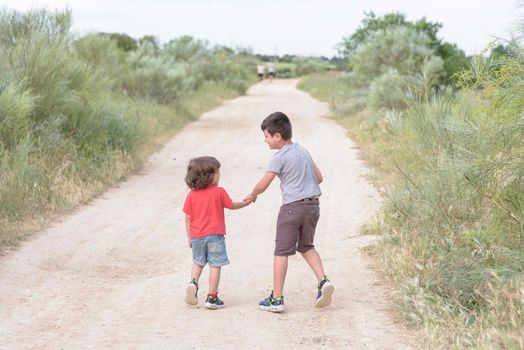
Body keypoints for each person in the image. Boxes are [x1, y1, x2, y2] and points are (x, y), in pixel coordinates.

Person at [245, 111, 334, 313]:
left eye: (266, 136)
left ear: (277, 136)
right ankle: (323, 281)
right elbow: (319, 177)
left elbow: (263, 184)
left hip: (292, 208)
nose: (265, 141)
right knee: (307, 246)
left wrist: (252, 195)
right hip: (313, 206)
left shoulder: (279, 156)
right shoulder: (303, 151)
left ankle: (276, 298)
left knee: (281, 252)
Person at [183, 156, 251, 309]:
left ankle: (193, 282)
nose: (219, 175)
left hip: (197, 236)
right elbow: (232, 205)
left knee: (198, 262)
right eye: (217, 172)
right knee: (215, 265)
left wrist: (190, 237)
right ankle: (212, 297)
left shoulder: (192, 195)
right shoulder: (219, 192)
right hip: (215, 236)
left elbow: (188, 217)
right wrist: (246, 202)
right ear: (208, 175)